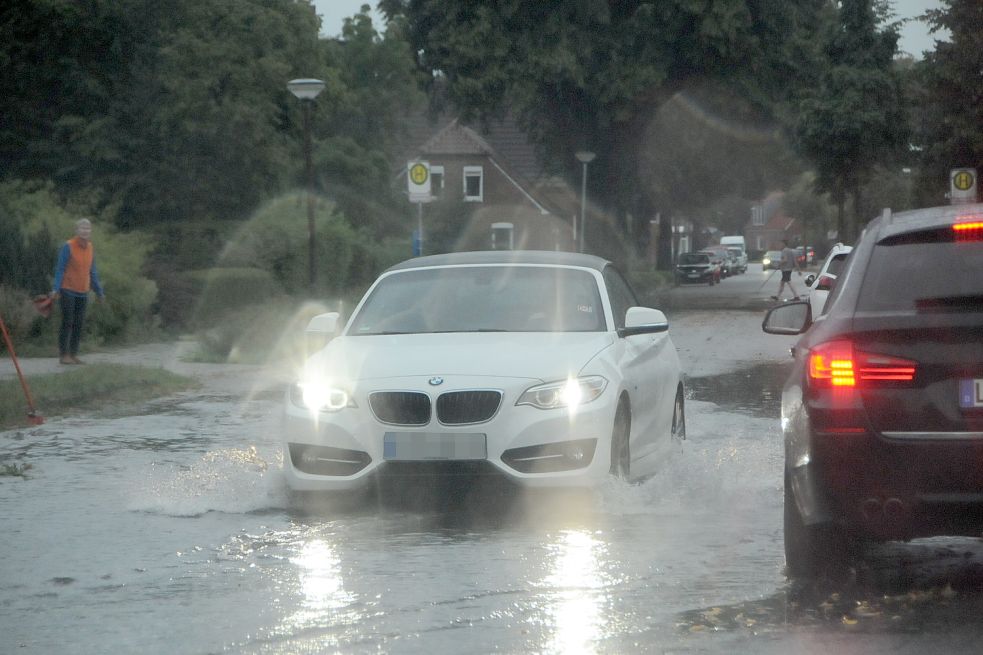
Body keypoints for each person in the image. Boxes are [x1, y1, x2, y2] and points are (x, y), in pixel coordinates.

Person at [51, 218, 105, 364]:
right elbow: (60, 269)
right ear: (76, 230)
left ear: (90, 231)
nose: (85, 231)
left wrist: (99, 292)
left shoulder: (91, 248)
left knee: (78, 324)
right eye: (82, 228)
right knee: (67, 322)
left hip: (83, 291)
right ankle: (64, 355)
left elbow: (92, 271)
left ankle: (73, 354)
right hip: (67, 289)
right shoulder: (68, 246)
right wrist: (55, 289)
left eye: (87, 228)